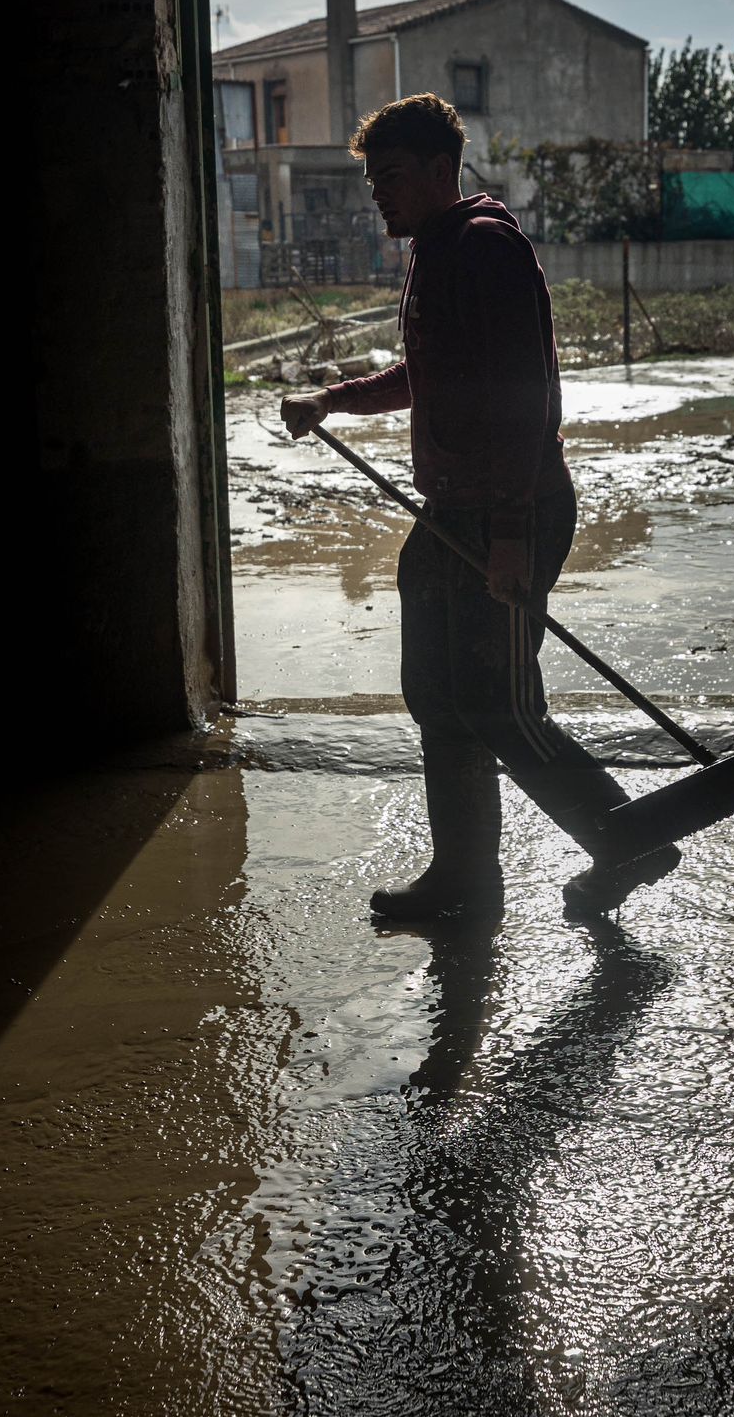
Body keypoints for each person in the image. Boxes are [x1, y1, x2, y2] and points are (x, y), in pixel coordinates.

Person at [281, 92, 678, 922]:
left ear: (437, 169)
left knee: (499, 703)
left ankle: (625, 835)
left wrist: (507, 537)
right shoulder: (437, 250)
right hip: (452, 513)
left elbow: (519, 400)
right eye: (370, 181)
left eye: (390, 177)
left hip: (514, 511)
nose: (377, 194)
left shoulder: (485, 248)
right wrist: (335, 400)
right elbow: (430, 375)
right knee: (437, 691)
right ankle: (466, 878)